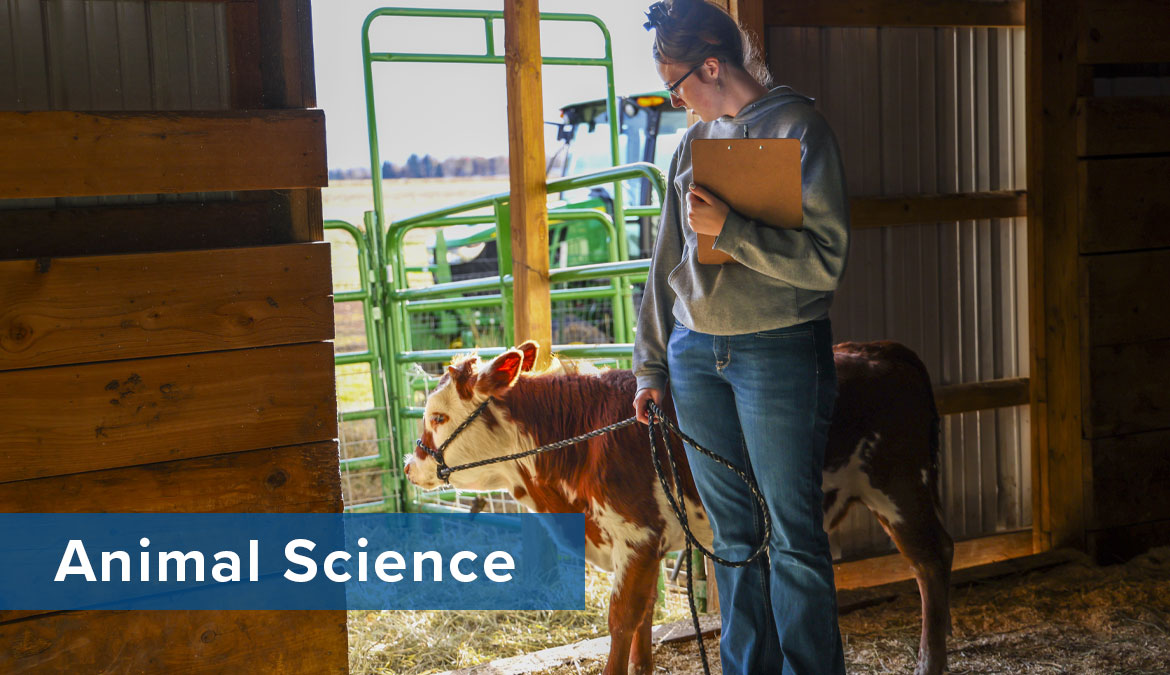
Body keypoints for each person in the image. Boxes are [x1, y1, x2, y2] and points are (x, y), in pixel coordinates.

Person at [633, 1, 851, 673]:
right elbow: (664, 261)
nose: (676, 99)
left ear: (711, 65)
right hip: (695, 358)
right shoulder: (688, 145)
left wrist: (731, 232)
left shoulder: (800, 128)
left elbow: (824, 261)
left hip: (779, 349)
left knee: (793, 534)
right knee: (732, 538)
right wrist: (649, 366)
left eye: (678, 85)